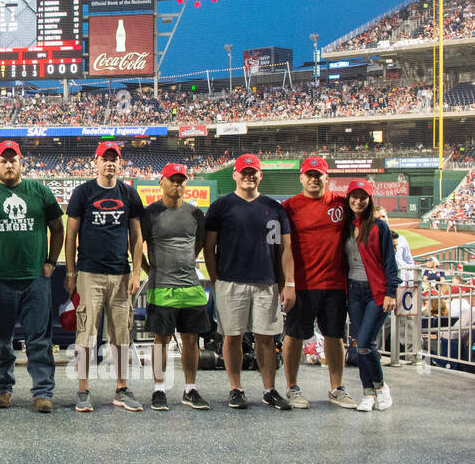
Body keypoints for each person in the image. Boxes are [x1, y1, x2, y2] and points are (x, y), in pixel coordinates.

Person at [0, 140, 64, 413]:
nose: (9, 165)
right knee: (0, 339)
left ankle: (43, 391)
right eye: (3, 160)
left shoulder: (39, 191)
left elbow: (58, 228)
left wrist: (51, 263)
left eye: (13, 160)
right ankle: (2, 388)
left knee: (40, 339)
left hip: (35, 279)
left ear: (22, 162)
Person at [203, 154, 292, 411]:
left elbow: (286, 249)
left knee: (266, 338)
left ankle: (269, 390)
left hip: (266, 282)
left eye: (253, 172)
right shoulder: (221, 206)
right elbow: (209, 248)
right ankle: (235, 388)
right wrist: (216, 279)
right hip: (231, 281)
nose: (248, 176)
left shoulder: (274, 207)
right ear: (235, 175)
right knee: (232, 337)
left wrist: (287, 283)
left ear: (260, 175)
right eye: (244, 172)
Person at [64, 141, 145, 412]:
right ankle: (83, 389)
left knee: (121, 335)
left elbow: (136, 237)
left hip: (121, 275)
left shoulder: (129, 194)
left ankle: (122, 388)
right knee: (86, 333)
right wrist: (71, 272)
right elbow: (71, 234)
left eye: (114, 159)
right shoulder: (83, 192)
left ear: (120, 163)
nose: (110, 163)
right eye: (105, 158)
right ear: (95, 162)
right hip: (89, 273)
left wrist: (136, 272)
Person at [280, 156, 355, 410]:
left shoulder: (341, 204)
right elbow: (283, 248)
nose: (314, 179)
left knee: (334, 336)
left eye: (318, 174)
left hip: (334, 284)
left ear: (327, 177)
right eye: (309, 175)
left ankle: (337, 388)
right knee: (294, 335)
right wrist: (286, 283)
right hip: (302, 284)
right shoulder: (289, 207)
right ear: (301, 177)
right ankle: (291, 388)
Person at [137, 163, 211, 411]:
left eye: (181, 180)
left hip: (191, 286)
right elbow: (136, 245)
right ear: (162, 182)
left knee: (192, 340)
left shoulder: (194, 214)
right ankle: (159, 389)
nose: (177, 184)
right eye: (172, 180)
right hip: (162, 288)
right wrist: (150, 271)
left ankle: (190, 389)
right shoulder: (150, 214)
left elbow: (199, 243)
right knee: (161, 340)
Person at [344, 182, 399, 411]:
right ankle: (368, 394)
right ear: (348, 199)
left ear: (370, 199)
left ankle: (381, 386)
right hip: (353, 291)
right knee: (359, 344)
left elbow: (390, 263)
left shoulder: (379, 227)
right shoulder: (344, 227)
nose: (358, 201)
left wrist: (391, 292)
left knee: (365, 343)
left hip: (375, 292)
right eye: (354, 197)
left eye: (363, 197)